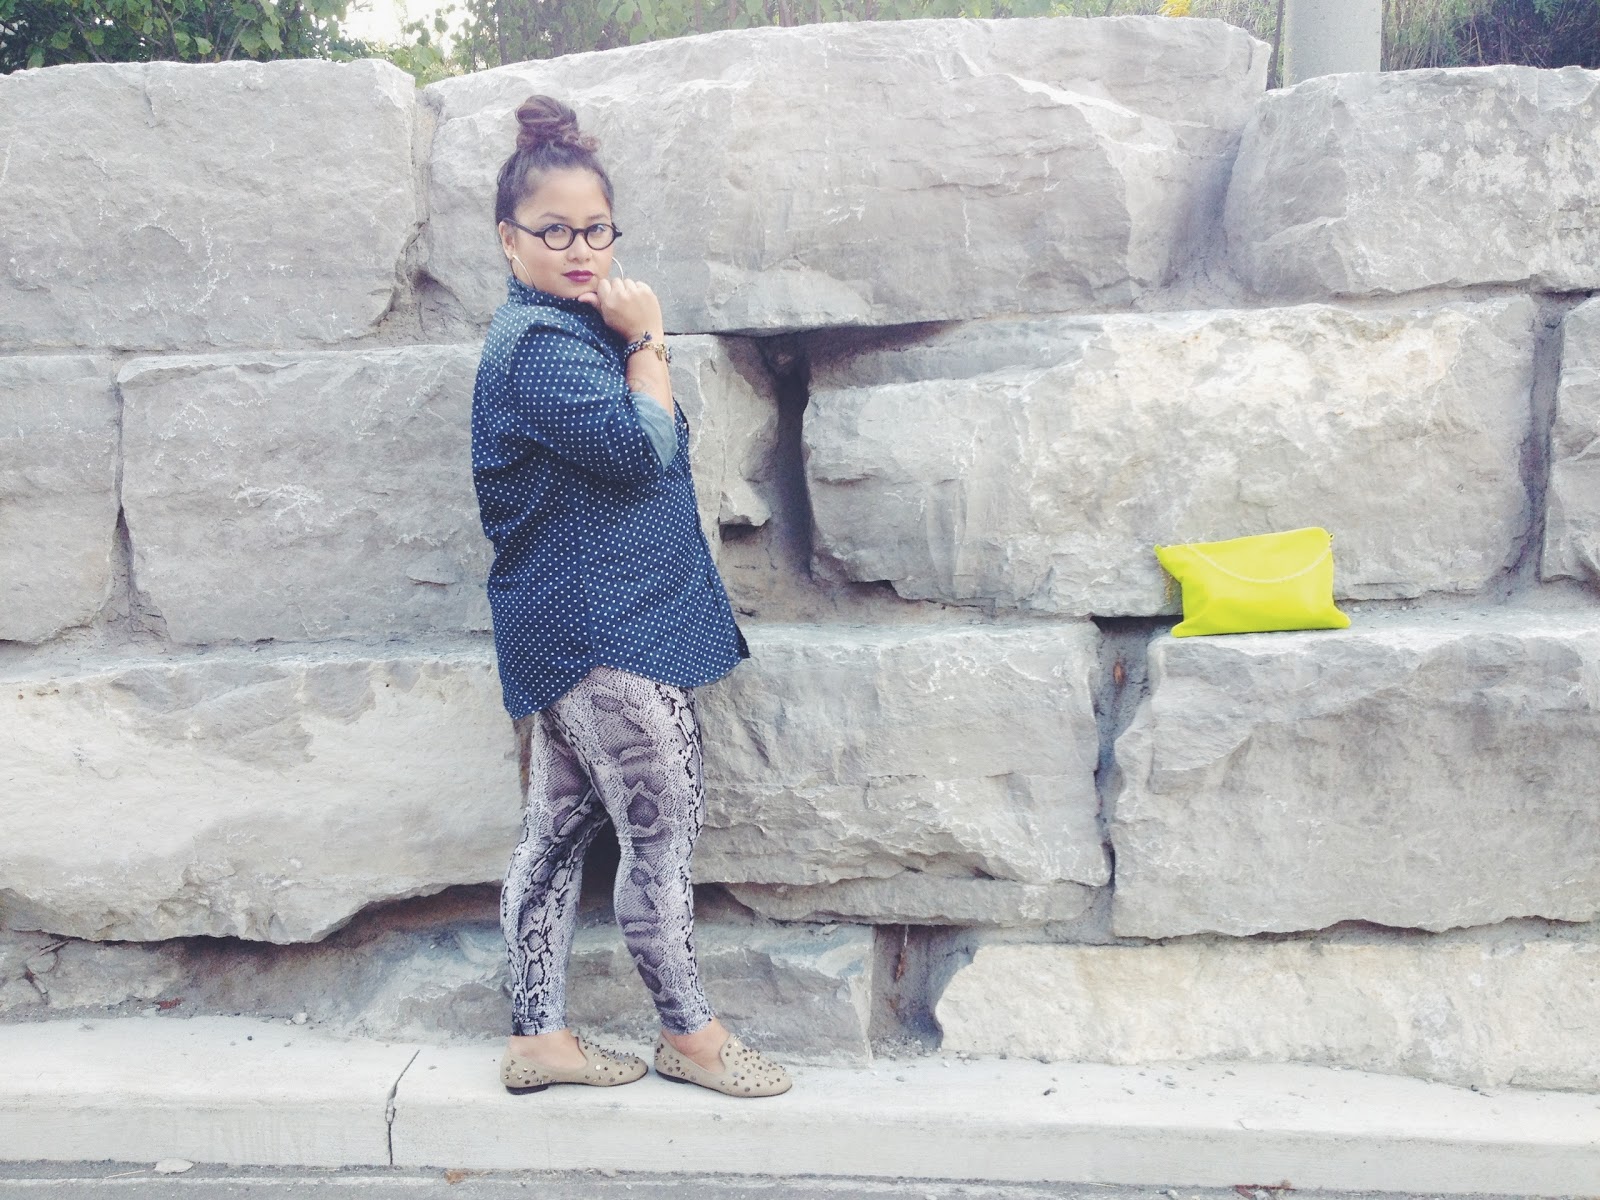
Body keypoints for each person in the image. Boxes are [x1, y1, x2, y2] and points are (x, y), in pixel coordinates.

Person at [470, 94, 793, 1099]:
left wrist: (631, 342)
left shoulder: (574, 330)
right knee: (659, 838)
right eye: (554, 231)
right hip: (602, 633)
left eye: (596, 229)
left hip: (584, 627)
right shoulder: (543, 346)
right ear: (508, 239)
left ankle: (538, 1041)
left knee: (556, 839)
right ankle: (689, 1036)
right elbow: (638, 449)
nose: (580, 250)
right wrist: (650, 338)